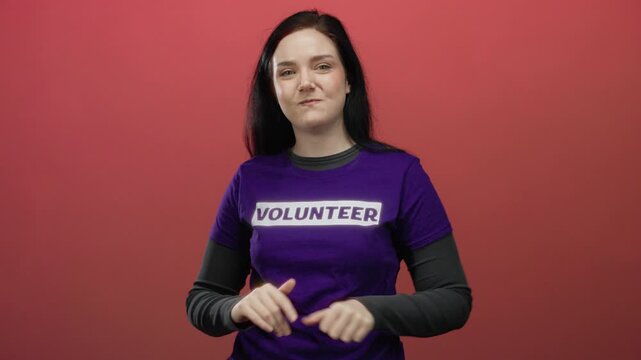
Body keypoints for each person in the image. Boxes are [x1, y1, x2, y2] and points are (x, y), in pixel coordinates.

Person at [186, 8, 472, 360]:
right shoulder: (250, 179)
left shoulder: (400, 174)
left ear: (349, 79)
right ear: (273, 90)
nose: (306, 82)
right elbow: (202, 299)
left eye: (322, 66)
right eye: (287, 72)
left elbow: (453, 298)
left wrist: (373, 311)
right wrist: (238, 308)